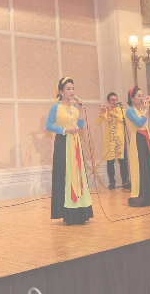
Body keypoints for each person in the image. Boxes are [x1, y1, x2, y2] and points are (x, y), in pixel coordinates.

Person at [45, 77, 93, 225]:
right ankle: (68, 211)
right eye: (68, 89)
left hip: (75, 144)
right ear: (61, 91)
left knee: (78, 175)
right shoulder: (56, 107)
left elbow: (81, 126)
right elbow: (49, 126)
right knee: (66, 176)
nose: (71, 91)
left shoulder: (74, 108)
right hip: (63, 144)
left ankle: (80, 209)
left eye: (72, 88)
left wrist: (80, 110)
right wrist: (65, 130)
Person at [125, 87, 150, 207]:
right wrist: (146, 110)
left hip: (145, 139)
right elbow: (139, 123)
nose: (141, 98)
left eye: (142, 95)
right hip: (137, 140)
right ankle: (139, 196)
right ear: (132, 98)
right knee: (140, 168)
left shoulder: (140, 110)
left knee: (147, 167)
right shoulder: (130, 110)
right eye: (139, 96)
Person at [96, 92, 130, 190]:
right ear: (108, 101)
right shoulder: (105, 111)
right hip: (109, 140)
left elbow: (121, 120)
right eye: (112, 100)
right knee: (110, 162)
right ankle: (112, 182)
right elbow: (98, 122)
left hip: (119, 140)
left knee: (123, 161)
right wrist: (102, 113)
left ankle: (125, 181)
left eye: (116, 100)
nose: (115, 102)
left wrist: (111, 112)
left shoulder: (121, 111)